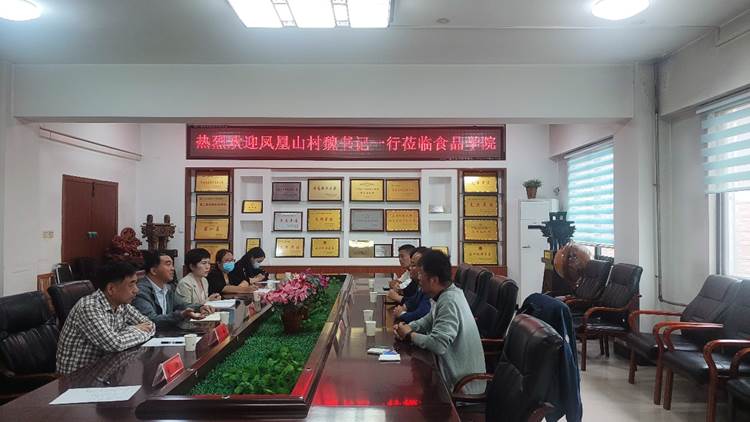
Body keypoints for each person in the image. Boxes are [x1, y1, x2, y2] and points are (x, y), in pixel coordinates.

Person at [393, 250, 485, 394]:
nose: (418, 278)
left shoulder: (449, 301)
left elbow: (438, 344)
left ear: (434, 280)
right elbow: (427, 321)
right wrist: (407, 327)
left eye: (421, 274)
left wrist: (410, 335)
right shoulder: (446, 294)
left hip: (461, 387)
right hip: (447, 374)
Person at [56, 261, 155, 375]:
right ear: (111, 289)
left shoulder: (122, 304)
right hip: (77, 377)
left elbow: (150, 325)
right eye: (131, 284)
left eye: (136, 283)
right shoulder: (89, 307)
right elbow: (114, 344)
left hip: (105, 370)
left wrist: (121, 335)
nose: (136, 290)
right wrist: (135, 329)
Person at [133, 250, 214, 330]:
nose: (173, 269)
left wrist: (199, 308)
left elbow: (179, 305)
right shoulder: (141, 291)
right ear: (154, 270)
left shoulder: (168, 288)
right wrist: (181, 315)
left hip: (167, 332)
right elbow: (150, 321)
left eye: (172, 265)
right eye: (168, 264)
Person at [392, 247, 431, 324]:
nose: (410, 268)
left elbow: (420, 315)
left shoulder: (430, 288)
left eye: (413, 265)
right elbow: (413, 300)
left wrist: (401, 314)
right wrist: (404, 307)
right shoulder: (421, 285)